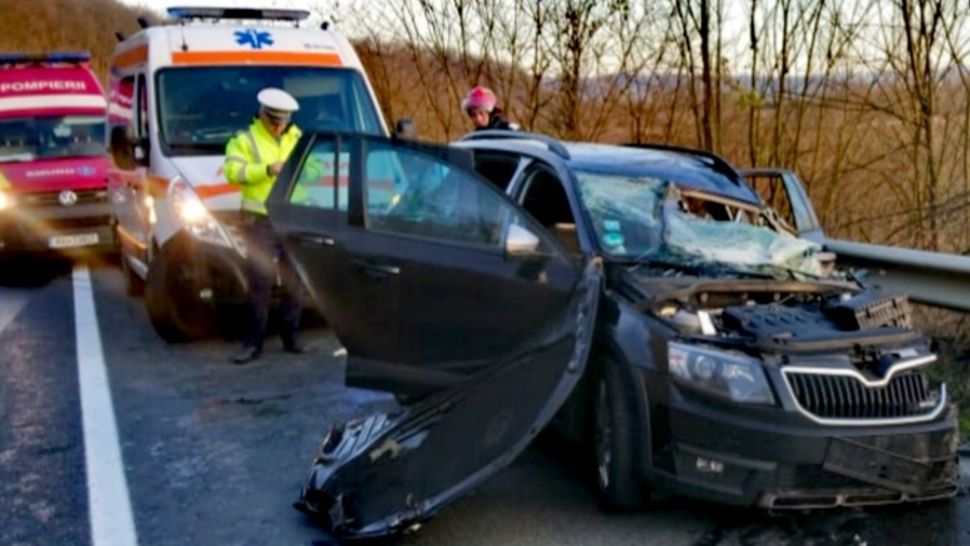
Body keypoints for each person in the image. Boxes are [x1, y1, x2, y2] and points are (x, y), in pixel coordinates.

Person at [224, 87, 306, 365]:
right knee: (260, 281)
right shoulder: (244, 140)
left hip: (292, 217)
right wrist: (268, 169)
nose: (277, 126)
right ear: (263, 115)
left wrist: (300, 170)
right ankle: (253, 343)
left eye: (282, 121)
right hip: (259, 220)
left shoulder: (297, 138)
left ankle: (292, 337)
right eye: (273, 121)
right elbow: (234, 172)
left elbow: (316, 168)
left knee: (297, 279)